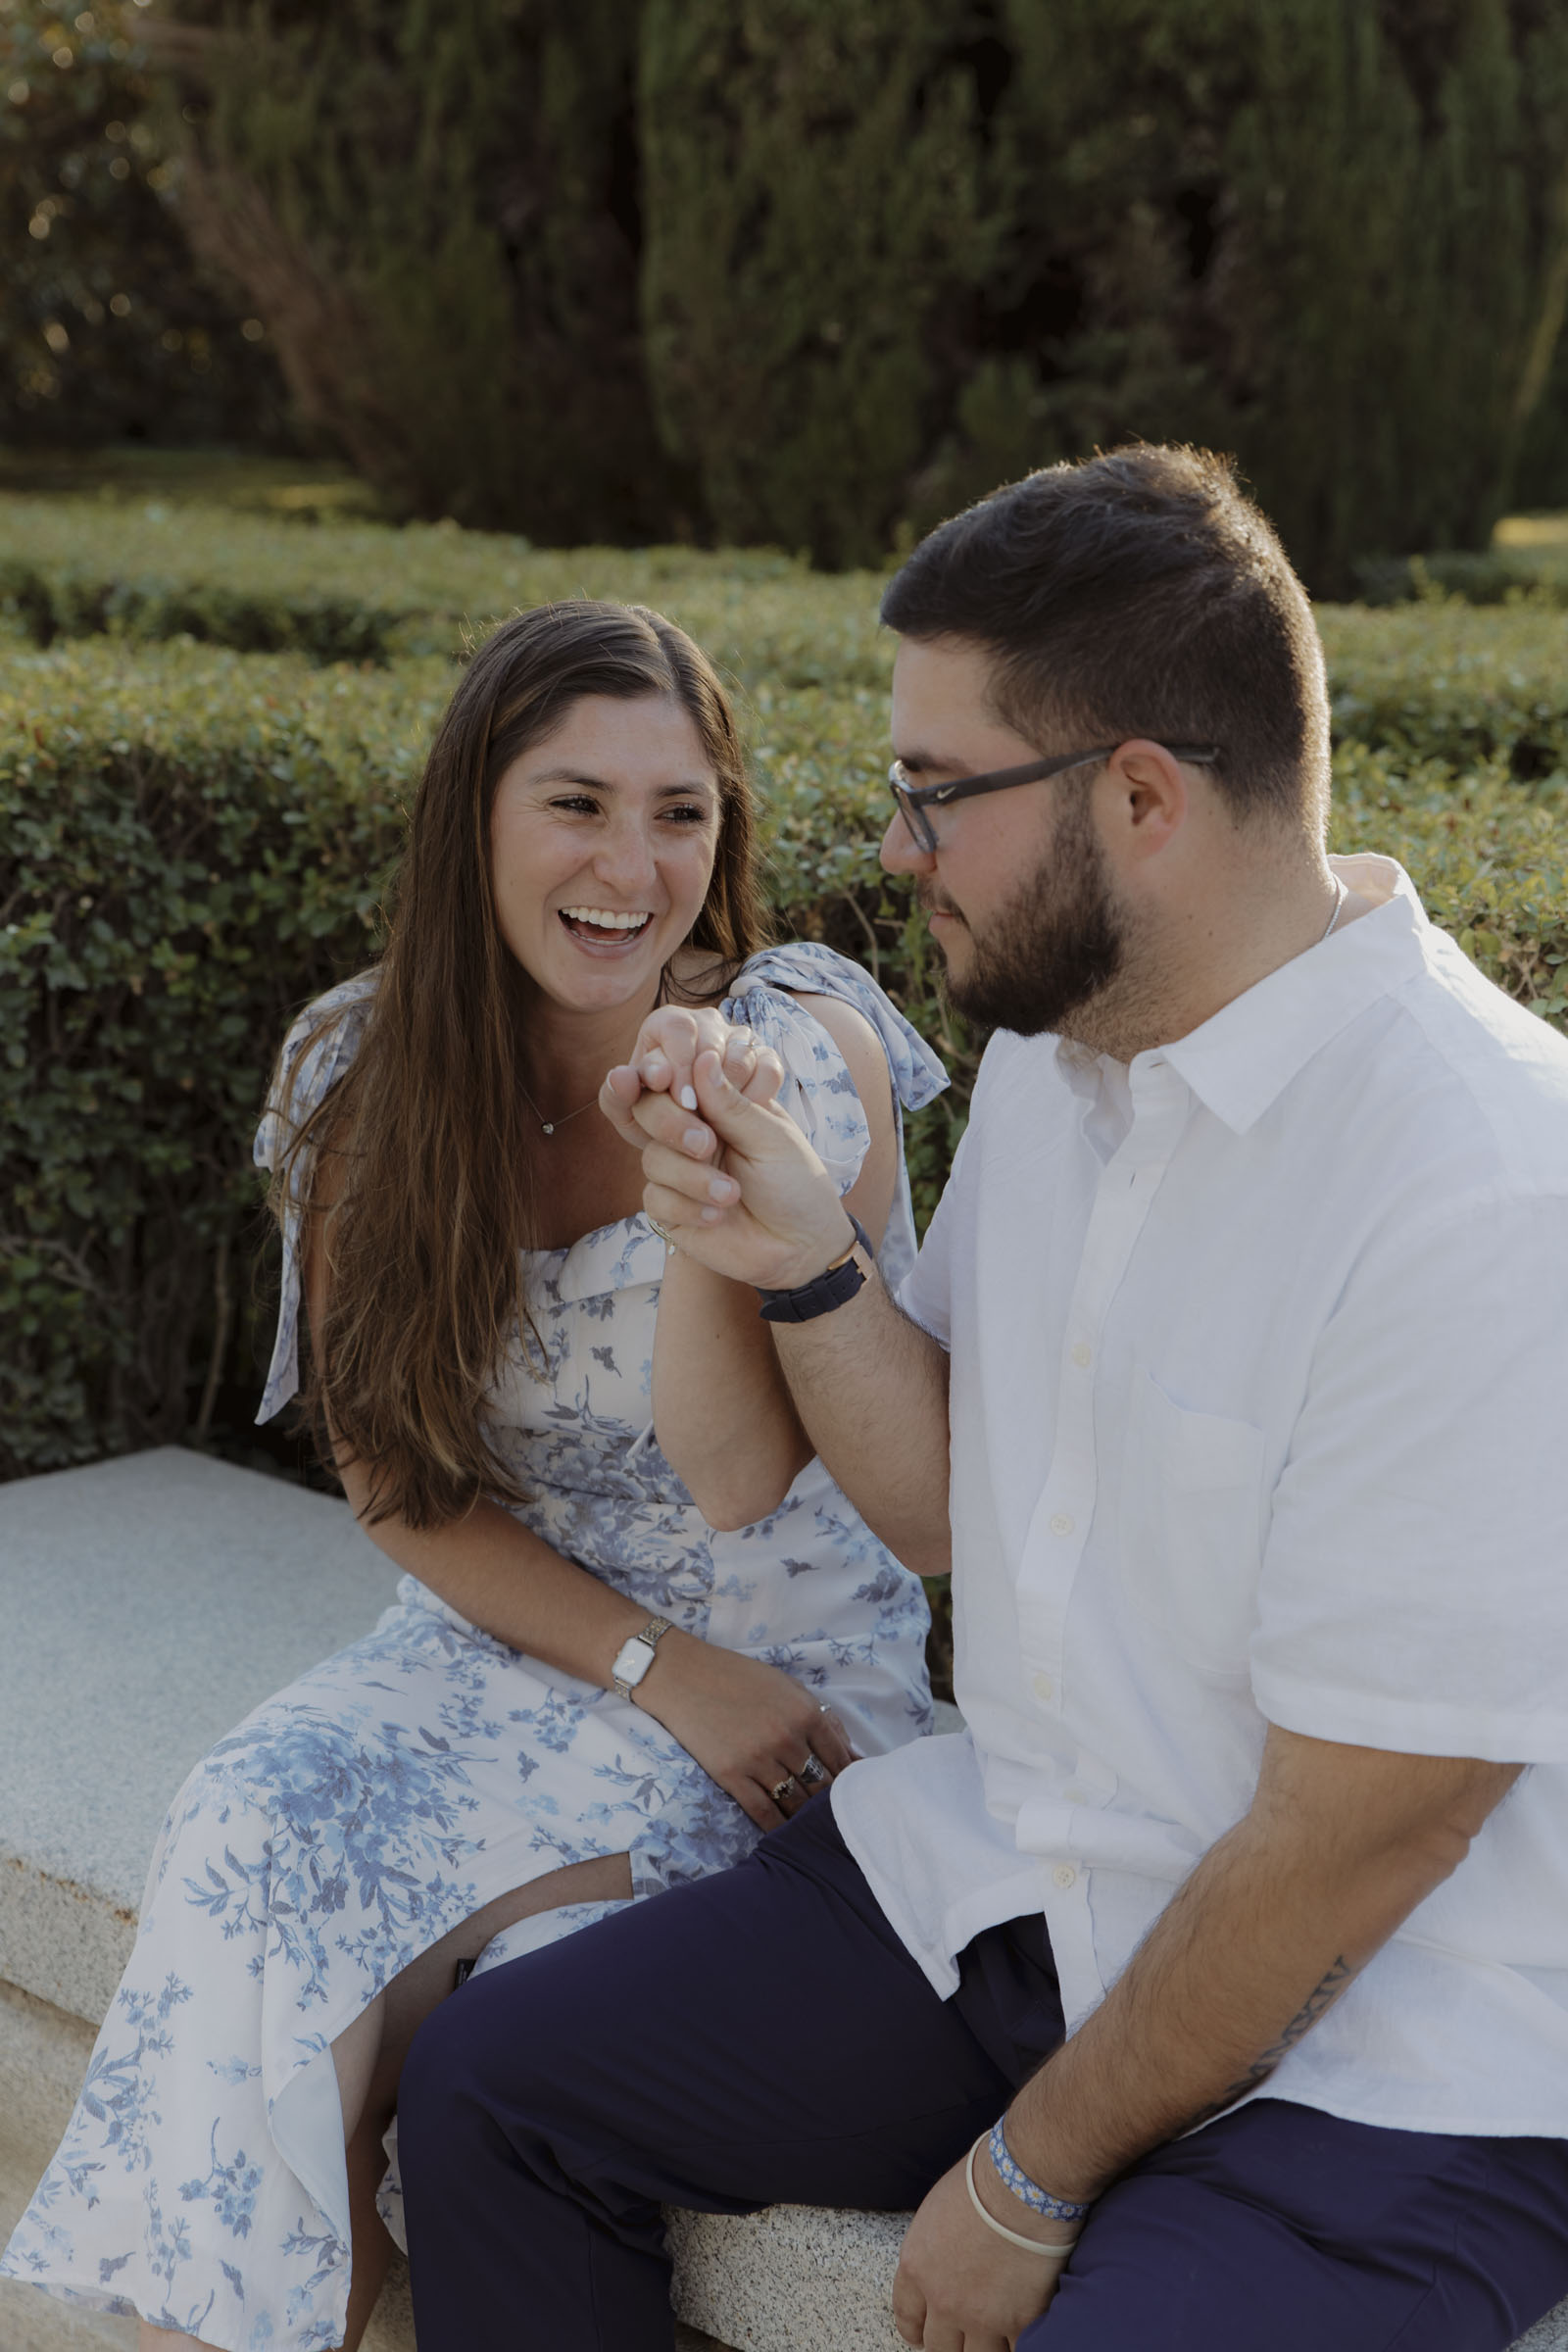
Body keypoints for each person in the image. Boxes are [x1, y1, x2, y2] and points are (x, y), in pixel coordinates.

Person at [392, 449, 1568, 2352]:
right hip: (1033, 1878)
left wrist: (1023, 2175)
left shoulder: (1482, 1183)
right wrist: (798, 1259)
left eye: (937, 795)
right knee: (490, 2088)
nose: (891, 849)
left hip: (1387, 2053)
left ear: (1137, 797)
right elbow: (944, 1506)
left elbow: (1365, 1834)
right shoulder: (1063, 1051)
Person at [0, 600, 947, 2352]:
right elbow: (400, 1485)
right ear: (477, 820)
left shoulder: (793, 1050)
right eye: (575, 803)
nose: (632, 865)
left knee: (411, 2010)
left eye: (681, 813)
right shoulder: (360, 1076)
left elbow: (737, 1481)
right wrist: (651, 1666)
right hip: (525, 1645)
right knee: (241, 1835)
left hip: (784, 1678)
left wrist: (699, 1176)